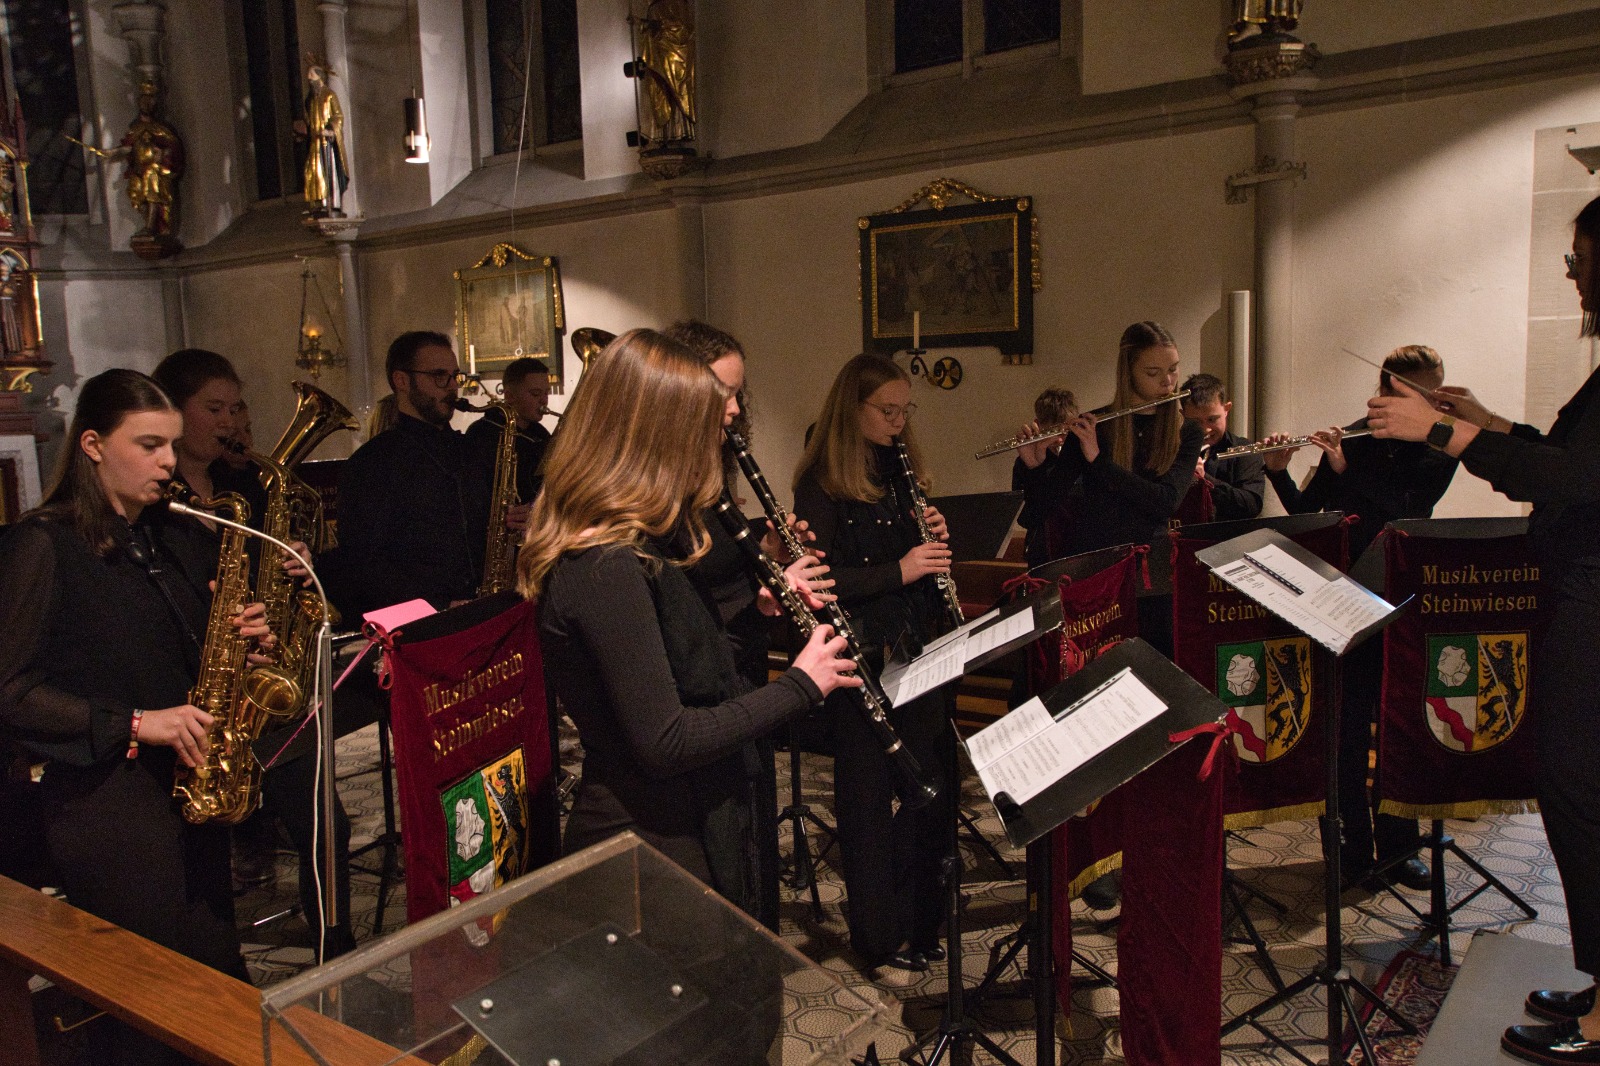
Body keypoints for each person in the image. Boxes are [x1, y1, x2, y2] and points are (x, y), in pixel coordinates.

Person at [1367, 194, 1600, 1065]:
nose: (1572, 273)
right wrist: (1485, 423)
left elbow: (1575, 481)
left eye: (1580, 257)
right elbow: (1563, 457)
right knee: (1578, 788)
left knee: (1580, 789)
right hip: (1580, 588)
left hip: (1595, 594)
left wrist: (1445, 435)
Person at [521, 328, 858, 921]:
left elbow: (685, 660)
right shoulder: (605, 563)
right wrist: (803, 684)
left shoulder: (646, 543)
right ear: (656, 434)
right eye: (702, 426)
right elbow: (666, 739)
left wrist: (755, 611)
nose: (717, 440)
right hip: (646, 846)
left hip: (684, 820)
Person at [0, 369, 269, 1064]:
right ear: (92, 444)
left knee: (216, 980)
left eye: (172, 446)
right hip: (106, 807)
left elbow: (185, 655)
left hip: (189, 789)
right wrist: (135, 722)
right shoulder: (43, 543)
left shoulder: (172, 537)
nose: (168, 464)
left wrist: (245, 635)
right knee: (151, 1005)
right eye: (149, 445)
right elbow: (11, 688)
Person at [152, 348, 356, 954]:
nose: (232, 420)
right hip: (205, 696)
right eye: (213, 408)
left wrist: (297, 568)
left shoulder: (247, 485)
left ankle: (333, 945)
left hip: (270, 689)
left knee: (327, 826)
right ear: (174, 413)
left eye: (237, 406)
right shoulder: (156, 507)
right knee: (210, 851)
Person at [792, 353, 958, 974]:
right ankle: (877, 934)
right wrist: (904, 567)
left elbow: (920, 558)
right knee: (865, 797)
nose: (897, 421)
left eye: (903, 410)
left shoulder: (899, 467)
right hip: (860, 654)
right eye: (886, 411)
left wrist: (934, 537)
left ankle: (923, 919)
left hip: (916, 646)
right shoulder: (821, 480)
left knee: (930, 789)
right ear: (852, 409)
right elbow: (826, 581)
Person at [1012, 321, 1204, 652]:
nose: (1168, 382)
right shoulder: (1093, 427)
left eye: (1173, 370)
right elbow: (1035, 514)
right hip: (1095, 578)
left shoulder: (1187, 432)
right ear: (1128, 372)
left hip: (1151, 580)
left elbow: (1165, 502)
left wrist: (1099, 463)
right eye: (1154, 372)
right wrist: (1035, 466)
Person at [332, 331, 491, 619]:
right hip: (419, 627)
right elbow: (364, 564)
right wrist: (438, 606)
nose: (452, 386)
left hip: (478, 612)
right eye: (439, 376)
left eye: (455, 376)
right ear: (402, 381)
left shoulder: (466, 451)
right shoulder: (371, 463)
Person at [464, 356, 554, 522]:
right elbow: (473, 498)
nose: (544, 400)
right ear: (510, 396)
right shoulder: (482, 433)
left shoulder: (540, 434)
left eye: (546, 393)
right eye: (535, 394)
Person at [1180, 372, 1265, 522]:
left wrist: (1204, 479)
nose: (1205, 429)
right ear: (1182, 415)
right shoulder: (1172, 452)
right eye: (1195, 422)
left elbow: (1251, 506)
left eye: (1212, 419)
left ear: (1226, 409)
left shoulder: (1245, 449)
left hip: (1229, 541)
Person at [1012, 385, 1077, 569]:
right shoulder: (1024, 463)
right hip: (1043, 556)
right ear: (1038, 425)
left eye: (1068, 429)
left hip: (1077, 551)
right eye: (1055, 430)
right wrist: (1036, 467)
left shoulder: (1080, 459)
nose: (1062, 438)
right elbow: (1026, 518)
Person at [300, 62, 349, 216]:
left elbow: (338, 116)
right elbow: (309, 119)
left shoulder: (329, 95)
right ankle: (318, 203)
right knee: (312, 171)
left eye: (312, 75)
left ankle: (331, 204)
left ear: (319, 77)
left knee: (328, 172)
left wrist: (329, 130)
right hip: (315, 142)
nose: (309, 79)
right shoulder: (311, 99)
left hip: (327, 142)